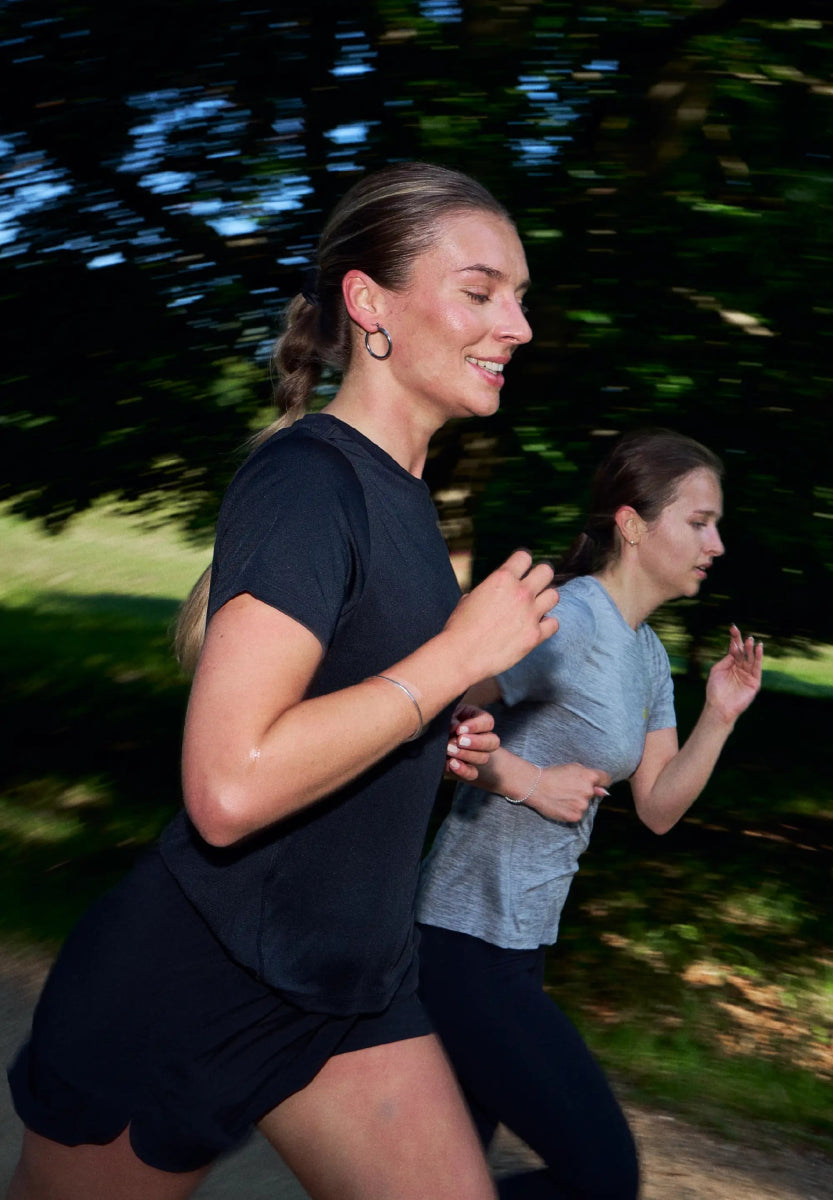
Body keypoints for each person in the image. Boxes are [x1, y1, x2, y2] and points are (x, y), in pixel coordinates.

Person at [6, 161, 560, 1200]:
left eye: (520, 299)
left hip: (348, 988)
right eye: (482, 292)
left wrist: (434, 731)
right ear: (369, 304)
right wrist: (449, 660)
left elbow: (342, 713)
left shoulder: (404, 504)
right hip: (191, 984)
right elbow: (227, 790)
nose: (516, 326)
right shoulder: (308, 480)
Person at [416, 428, 764, 1200]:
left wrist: (720, 715)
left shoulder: (643, 653)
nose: (716, 542)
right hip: (460, 939)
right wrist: (526, 781)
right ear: (634, 524)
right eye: (698, 521)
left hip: (518, 945)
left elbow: (659, 807)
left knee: (453, 1182)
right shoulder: (567, 620)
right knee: (602, 1175)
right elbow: (435, 710)